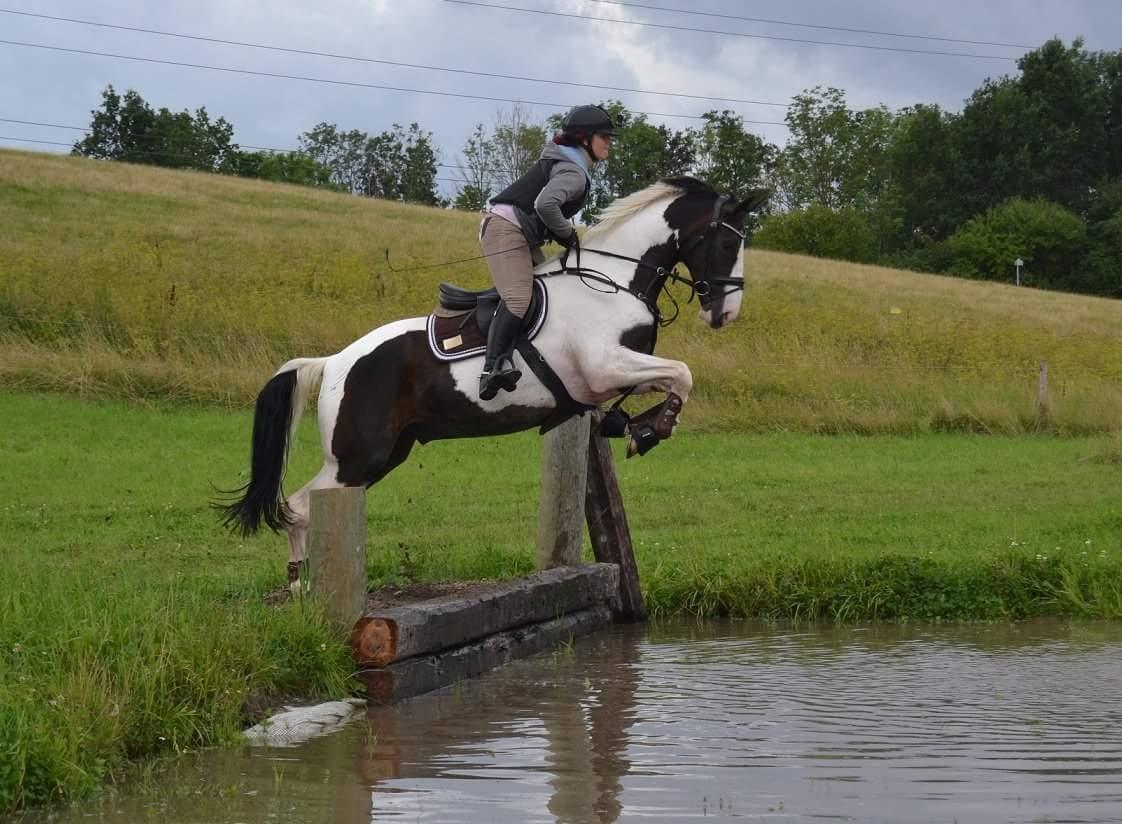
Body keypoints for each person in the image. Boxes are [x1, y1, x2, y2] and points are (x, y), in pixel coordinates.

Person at [477, 104, 616, 400]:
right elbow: (545, 205)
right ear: (584, 139)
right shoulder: (573, 172)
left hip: (519, 233)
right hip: (506, 229)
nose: (610, 142)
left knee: (548, 293)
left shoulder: (568, 164)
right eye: (604, 136)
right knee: (519, 298)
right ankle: (492, 368)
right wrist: (568, 235)